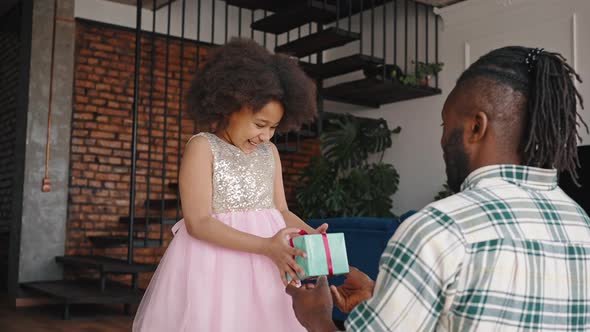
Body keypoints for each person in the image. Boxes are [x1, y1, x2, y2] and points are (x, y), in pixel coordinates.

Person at [287, 45, 590, 331]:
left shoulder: (439, 228)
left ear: (476, 127)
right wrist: (382, 299)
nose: (443, 141)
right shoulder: (580, 224)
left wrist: (318, 320)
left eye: (446, 126)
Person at [133, 38, 327, 332]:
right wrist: (265, 246)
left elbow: (281, 210)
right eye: (260, 124)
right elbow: (198, 222)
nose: (266, 136)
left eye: (274, 128)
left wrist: (312, 236)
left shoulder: (269, 153)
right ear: (229, 107)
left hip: (267, 265)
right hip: (216, 265)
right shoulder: (203, 147)